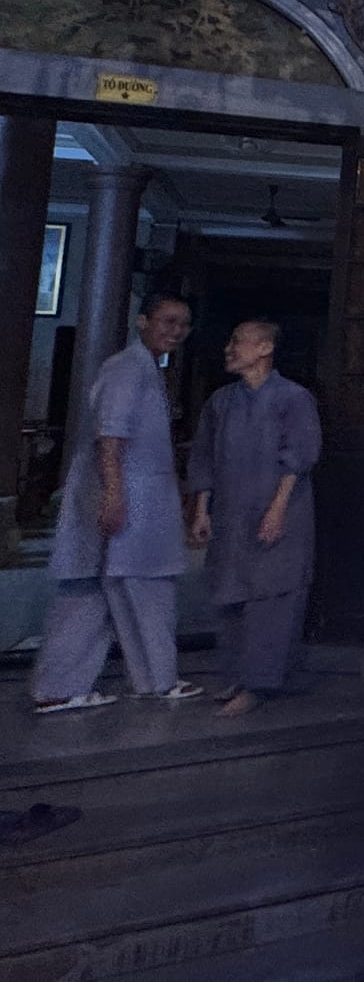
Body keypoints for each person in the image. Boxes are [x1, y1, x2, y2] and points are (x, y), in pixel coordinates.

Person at [31, 293, 201, 712]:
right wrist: (113, 494)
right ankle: (151, 680)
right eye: (168, 321)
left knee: (101, 594)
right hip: (127, 497)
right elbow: (111, 436)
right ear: (143, 321)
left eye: (183, 324)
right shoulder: (126, 370)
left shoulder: (143, 369)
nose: (176, 331)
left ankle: (74, 685)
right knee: (136, 589)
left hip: (132, 495)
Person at [187, 319, 323, 716]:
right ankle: (237, 675)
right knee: (231, 596)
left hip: (279, 512)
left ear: (264, 348)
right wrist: (201, 509)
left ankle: (260, 682)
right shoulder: (221, 402)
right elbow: (205, 457)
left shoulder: (293, 398)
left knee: (272, 601)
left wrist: (278, 509)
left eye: (237, 341)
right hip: (231, 515)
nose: (229, 349)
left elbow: (299, 457)